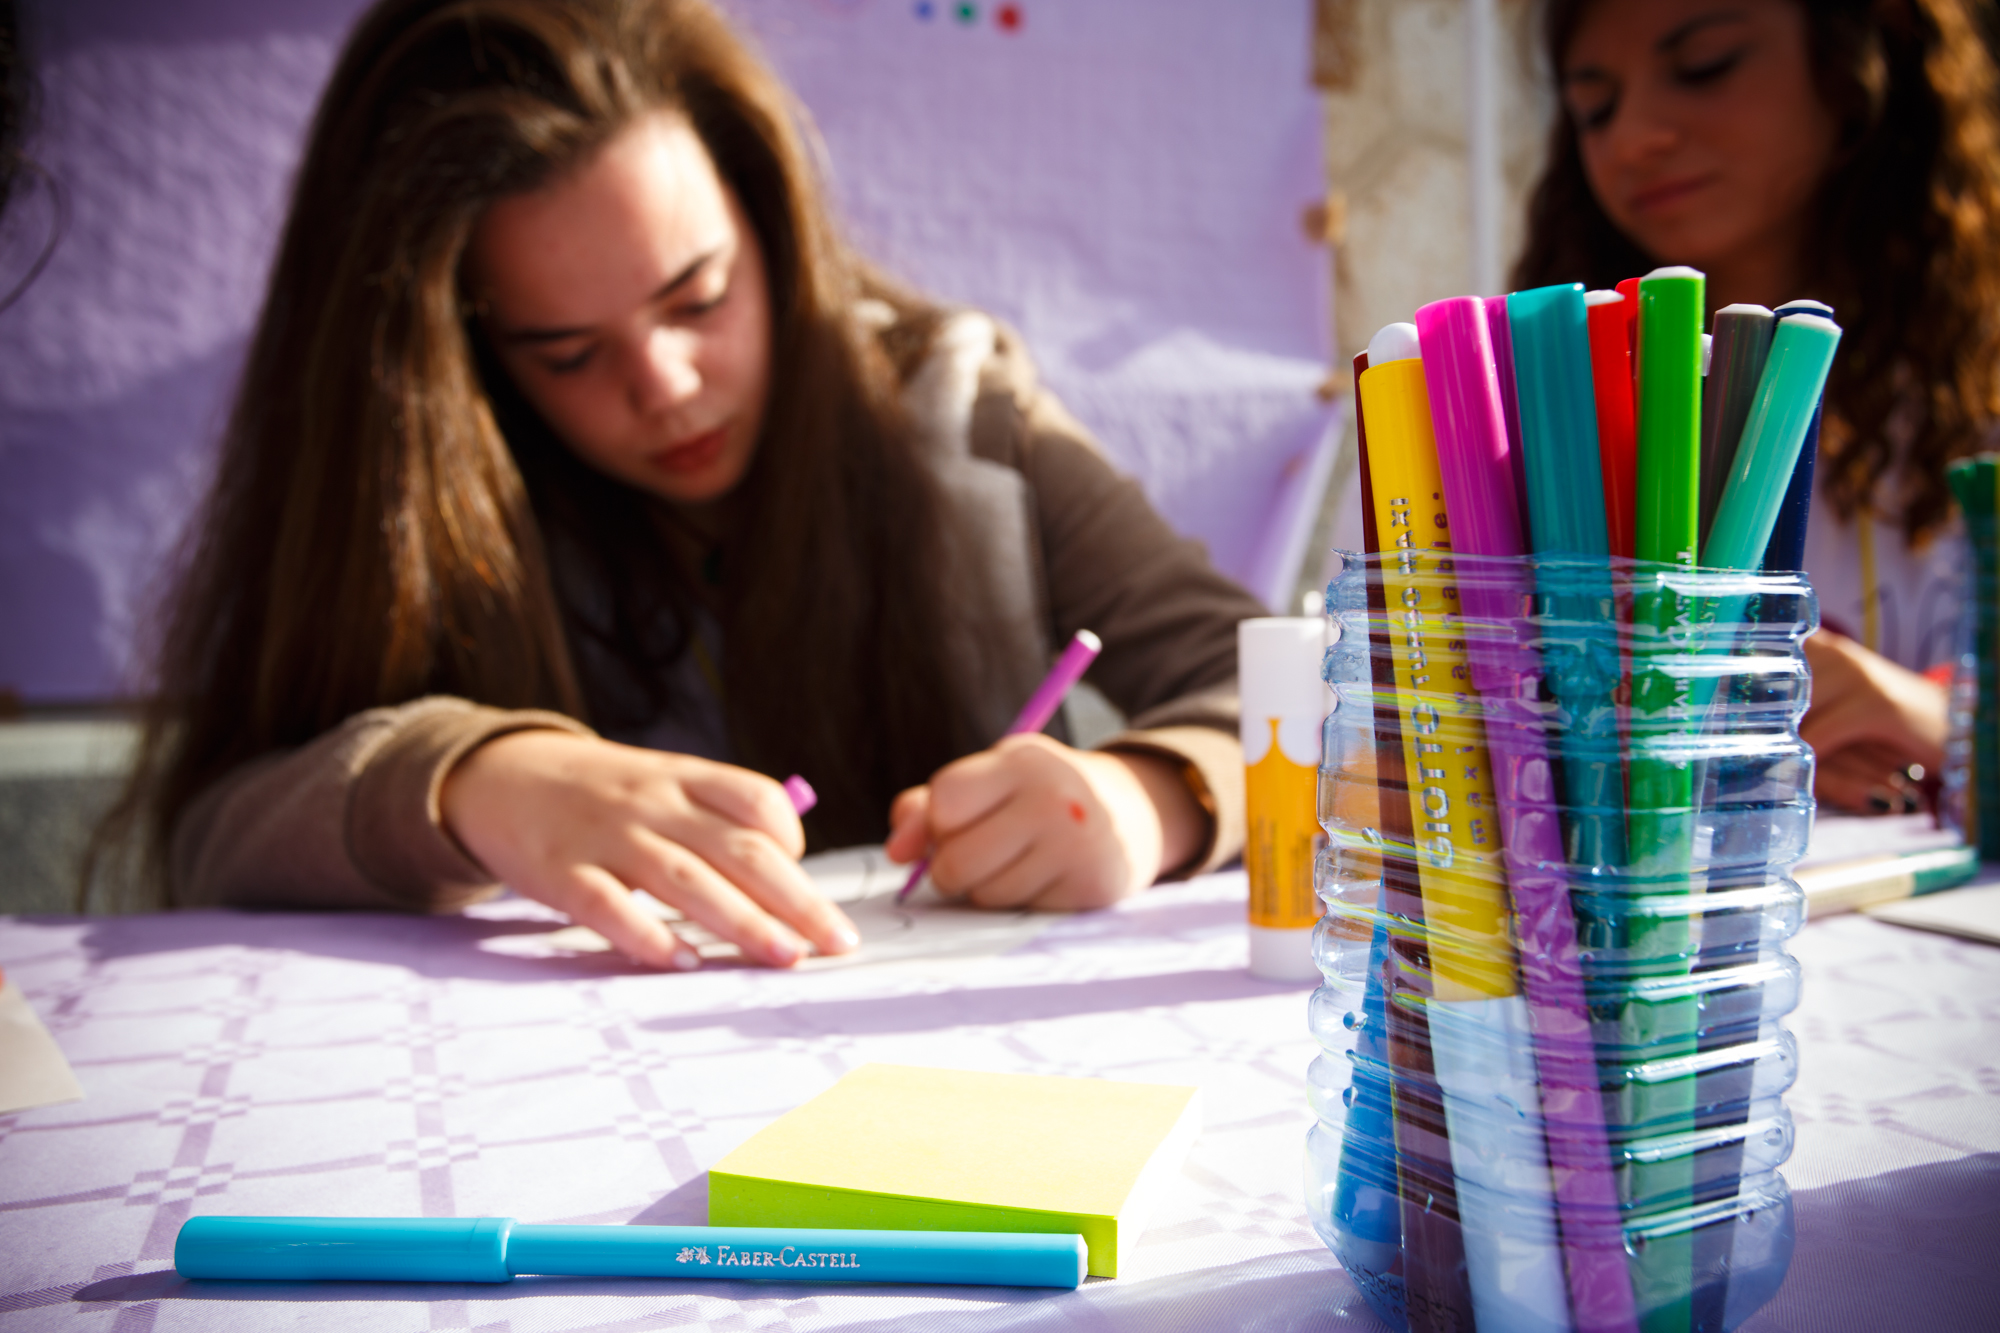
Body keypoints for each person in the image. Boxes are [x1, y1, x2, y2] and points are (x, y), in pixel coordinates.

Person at [91, 0, 1265, 969]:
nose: (665, 385)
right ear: (458, 362)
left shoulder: (959, 416)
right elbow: (211, 842)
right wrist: (475, 780)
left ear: (771, 229)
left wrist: (1146, 801)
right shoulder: (430, 503)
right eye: (566, 352)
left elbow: (1296, 697)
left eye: (699, 297)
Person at [1515, 0, 2000, 814]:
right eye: (1594, 107)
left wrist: (1938, 723)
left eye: (1705, 66)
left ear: (1852, 70)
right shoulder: (1548, 408)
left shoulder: (1975, 388)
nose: (1636, 137)